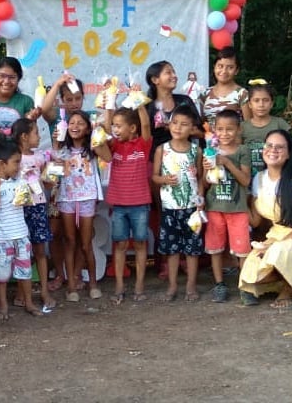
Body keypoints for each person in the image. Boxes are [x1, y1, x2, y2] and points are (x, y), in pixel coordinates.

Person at [93, 103, 152, 304]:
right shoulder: (113, 146)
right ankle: (119, 285)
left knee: (140, 244)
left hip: (140, 204)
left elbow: (145, 124)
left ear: (132, 128)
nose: (115, 130)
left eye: (120, 126)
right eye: (114, 126)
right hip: (119, 205)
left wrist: (140, 104)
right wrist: (107, 108)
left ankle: (139, 285)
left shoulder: (143, 144)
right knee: (120, 245)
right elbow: (104, 137)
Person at [238, 130, 292, 308]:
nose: (273, 150)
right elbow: (256, 222)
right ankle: (288, 278)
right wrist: (240, 199)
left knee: (278, 252)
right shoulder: (259, 179)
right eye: (269, 145)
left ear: (289, 153)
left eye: (280, 147)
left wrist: (273, 245)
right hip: (275, 236)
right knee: (251, 272)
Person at [0, 142, 43, 320]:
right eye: (16, 162)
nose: (19, 166)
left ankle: (29, 302)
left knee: (25, 272)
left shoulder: (20, 181)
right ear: (2, 164)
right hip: (1, 238)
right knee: (1, 275)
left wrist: (32, 182)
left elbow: (33, 198)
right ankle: (3, 305)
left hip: (22, 235)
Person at [152, 105, 204, 301]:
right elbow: (154, 177)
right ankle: (172, 285)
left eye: (184, 125)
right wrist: (164, 180)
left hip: (191, 208)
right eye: (174, 123)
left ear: (192, 129)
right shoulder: (161, 150)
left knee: (192, 249)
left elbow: (199, 177)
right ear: (169, 125)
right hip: (170, 208)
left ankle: (191, 285)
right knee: (171, 250)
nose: (178, 127)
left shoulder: (196, 150)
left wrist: (200, 200)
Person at [41, 73, 86, 292]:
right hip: (57, 183)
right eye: (68, 99)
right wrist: (58, 83)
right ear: (61, 100)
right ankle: (59, 274)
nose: (74, 104)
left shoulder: (88, 120)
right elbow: (43, 108)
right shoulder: (56, 120)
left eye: (77, 98)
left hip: (81, 184)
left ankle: (75, 273)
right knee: (55, 231)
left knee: (77, 232)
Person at [203, 109, 251, 303]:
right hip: (215, 207)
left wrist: (226, 163)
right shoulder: (210, 149)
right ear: (214, 130)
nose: (224, 134)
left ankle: (246, 285)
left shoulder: (242, 151)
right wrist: (208, 169)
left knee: (242, 250)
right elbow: (205, 183)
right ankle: (219, 284)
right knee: (215, 248)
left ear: (238, 129)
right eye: (220, 129)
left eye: (229, 129)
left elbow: (245, 180)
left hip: (237, 209)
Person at [56, 110, 103, 302]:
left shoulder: (92, 148)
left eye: (80, 123)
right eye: (72, 123)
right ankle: (72, 287)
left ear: (88, 128)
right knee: (69, 241)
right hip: (66, 197)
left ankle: (93, 283)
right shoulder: (62, 147)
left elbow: (107, 156)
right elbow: (54, 167)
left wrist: (98, 136)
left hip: (87, 197)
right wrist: (56, 148)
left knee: (85, 243)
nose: (75, 126)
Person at [12, 118, 56, 311]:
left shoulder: (40, 158)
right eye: (36, 133)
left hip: (37, 207)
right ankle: (23, 291)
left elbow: (47, 183)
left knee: (39, 251)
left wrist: (53, 170)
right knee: (22, 252)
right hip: (19, 209)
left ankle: (45, 290)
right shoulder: (13, 158)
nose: (39, 137)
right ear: (24, 136)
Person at [0, 56, 38, 140]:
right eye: (2, 76)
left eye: (12, 77)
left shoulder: (26, 102)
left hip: (18, 152)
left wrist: (30, 119)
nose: (6, 81)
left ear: (19, 79)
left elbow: (29, 137)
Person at [241, 80, 290, 179]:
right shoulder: (242, 127)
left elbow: (289, 150)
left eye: (265, 100)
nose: (261, 104)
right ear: (249, 104)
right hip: (248, 178)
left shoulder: (280, 124)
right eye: (256, 100)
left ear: (271, 103)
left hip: (276, 178)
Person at [200, 46, 251, 128]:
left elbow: (248, 125)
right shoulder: (205, 94)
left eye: (230, 67)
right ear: (214, 67)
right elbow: (201, 123)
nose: (224, 71)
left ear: (236, 71)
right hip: (209, 140)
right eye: (220, 66)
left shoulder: (242, 94)